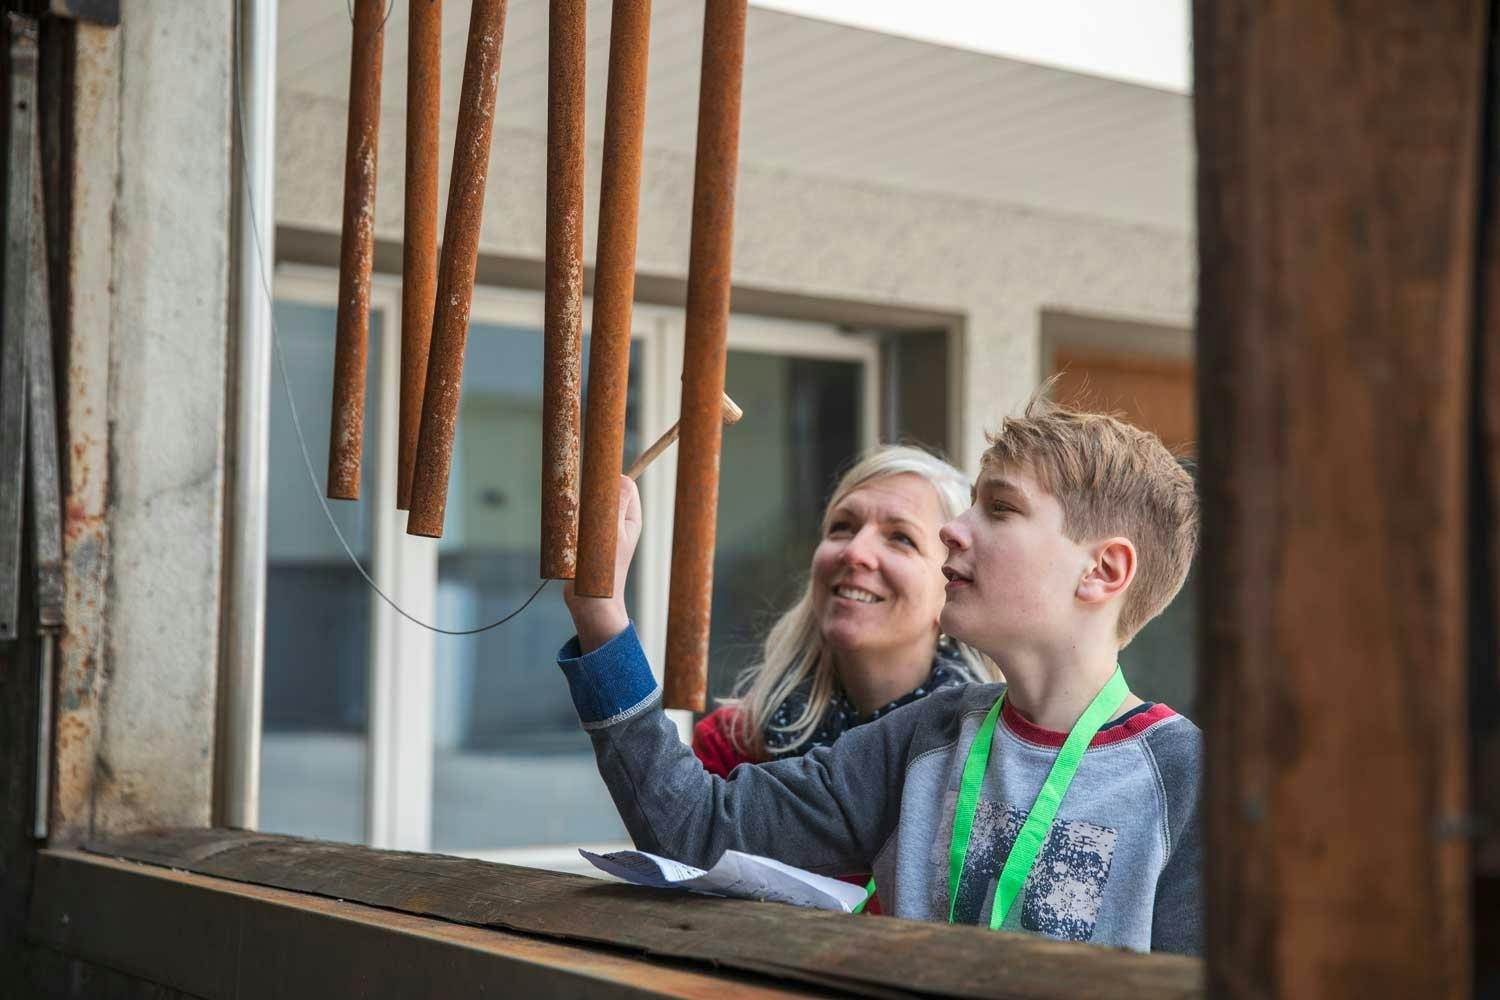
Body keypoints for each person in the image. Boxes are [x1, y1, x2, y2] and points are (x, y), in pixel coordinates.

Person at [558, 397, 1202, 954]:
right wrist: (602, 615)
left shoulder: (1192, 778)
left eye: (1000, 509)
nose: (952, 529)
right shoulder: (924, 738)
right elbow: (693, 831)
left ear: (1103, 572)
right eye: (969, 505)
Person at [692, 445, 999, 781]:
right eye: (842, 527)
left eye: (901, 538)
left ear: (951, 588)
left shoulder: (986, 763)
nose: (855, 552)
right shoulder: (734, 746)